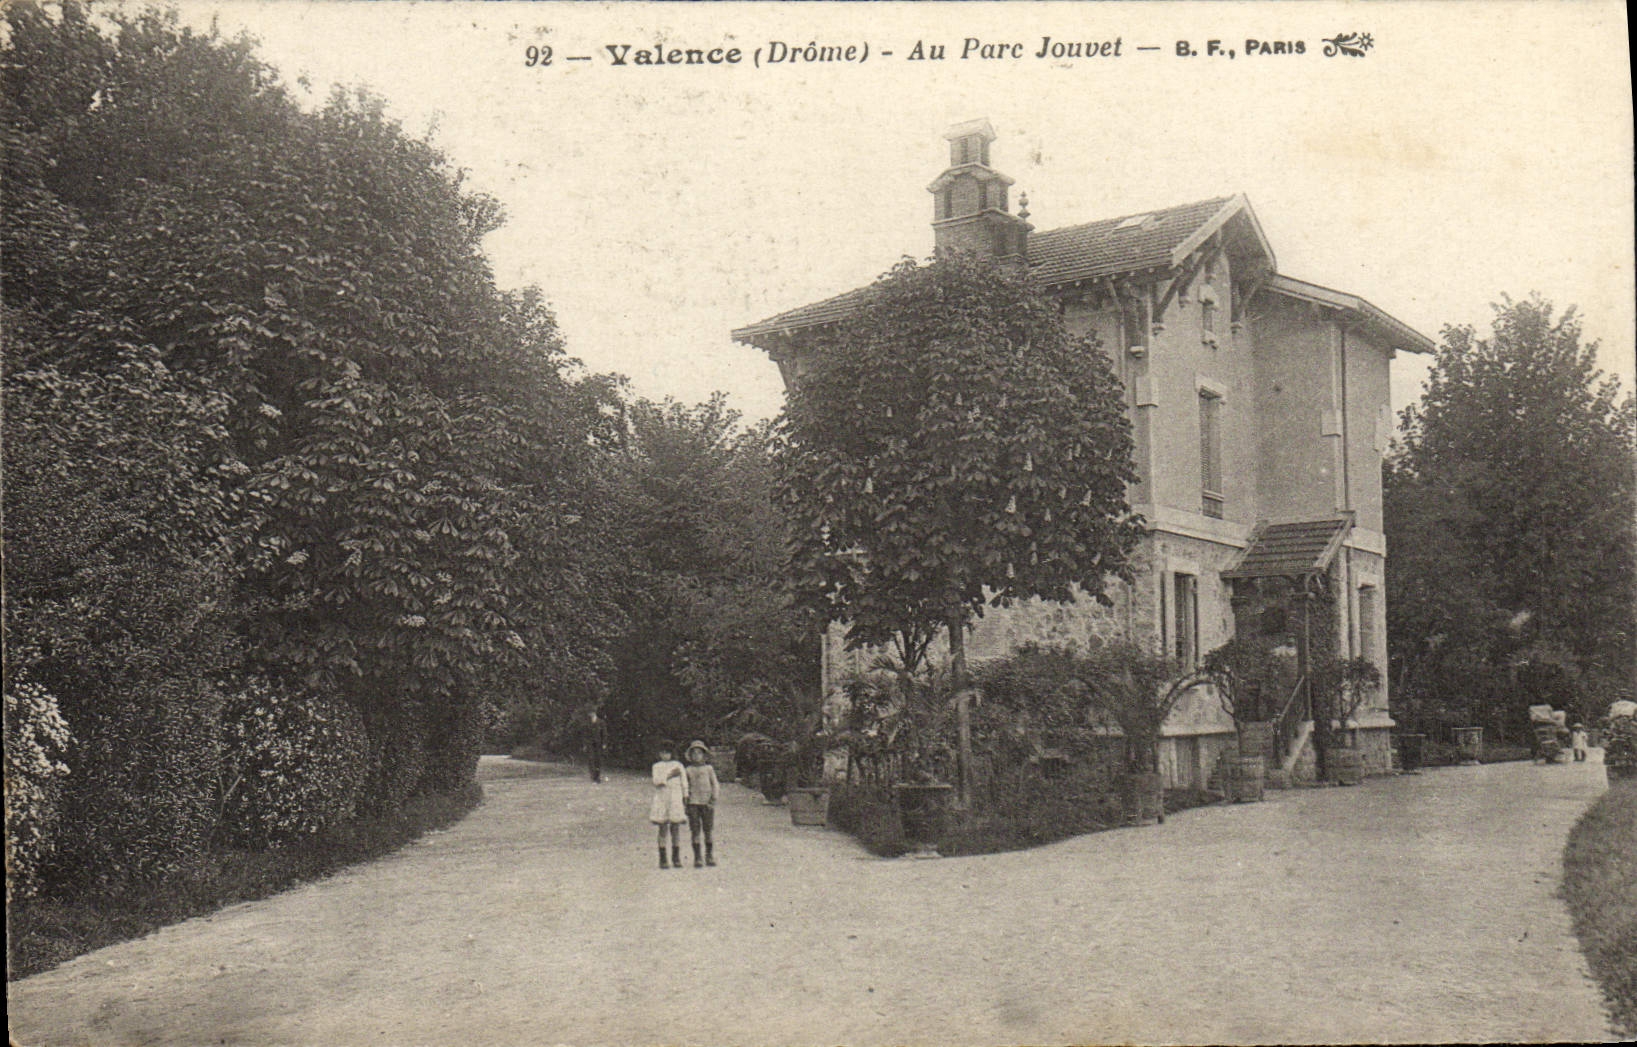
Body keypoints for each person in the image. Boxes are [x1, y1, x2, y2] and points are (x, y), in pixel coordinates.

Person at [649, 742, 688, 869]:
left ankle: (676, 857)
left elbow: (684, 781)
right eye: (662, 752)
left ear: (672, 753)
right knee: (662, 827)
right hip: (662, 798)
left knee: (675, 827)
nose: (665, 755)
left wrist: (685, 795)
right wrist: (669, 775)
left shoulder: (678, 765)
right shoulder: (657, 766)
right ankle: (663, 858)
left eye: (667, 752)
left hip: (675, 798)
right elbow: (656, 781)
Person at [682, 740, 721, 868]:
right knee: (695, 831)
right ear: (690, 756)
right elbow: (684, 786)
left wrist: (713, 799)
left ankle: (709, 855)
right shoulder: (688, 770)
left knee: (708, 830)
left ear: (704, 755)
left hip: (707, 804)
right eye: (694, 753)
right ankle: (697, 857)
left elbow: (715, 784)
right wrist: (685, 801)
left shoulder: (709, 769)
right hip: (693, 803)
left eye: (699, 753)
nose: (696, 756)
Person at [586, 709, 607, 783]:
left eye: (591, 713)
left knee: (598, 760)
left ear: (594, 713)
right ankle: (593, 776)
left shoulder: (601, 722)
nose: (590, 715)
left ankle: (597, 776)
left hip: (598, 744)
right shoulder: (588, 723)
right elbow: (586, 734)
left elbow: (604, 733)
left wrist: (604, 743)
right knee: (591, 759)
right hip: (590, 744)